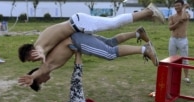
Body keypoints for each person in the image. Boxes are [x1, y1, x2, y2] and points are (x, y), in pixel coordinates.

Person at [18, 27, 158, 91]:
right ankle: (138, 33)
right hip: (78, 37)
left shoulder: (46, 64)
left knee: (109, 53)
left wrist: (32, 76)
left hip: (77, 39)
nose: (44, 82)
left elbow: (42, 69)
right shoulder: (46, 59)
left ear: (39, 78)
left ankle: (145, 50)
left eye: (41, 83)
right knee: (109, 43)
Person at [20, 3, 165, 63]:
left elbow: (41, 49)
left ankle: (148, 11)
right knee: (109, 40)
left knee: (113, 23)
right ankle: (145, 19)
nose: (33, 60)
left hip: (79, 24)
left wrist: (41, 53)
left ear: (30, 52)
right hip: (78, 26)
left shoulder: (39, 46)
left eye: (30, 58)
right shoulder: (41, 41)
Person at [168, 0, 190, 83]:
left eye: (179, 5)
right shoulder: (172, 17)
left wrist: (184, 8)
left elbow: (184, 18)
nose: (177, 7)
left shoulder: (187, 14)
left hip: (183, 39)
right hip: (173, 39)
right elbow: (170, 28)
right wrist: (177, 22)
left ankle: (186, 77)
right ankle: (171, 75)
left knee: (185, 59)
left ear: (182, 6)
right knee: (171, 58)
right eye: (175, 6)